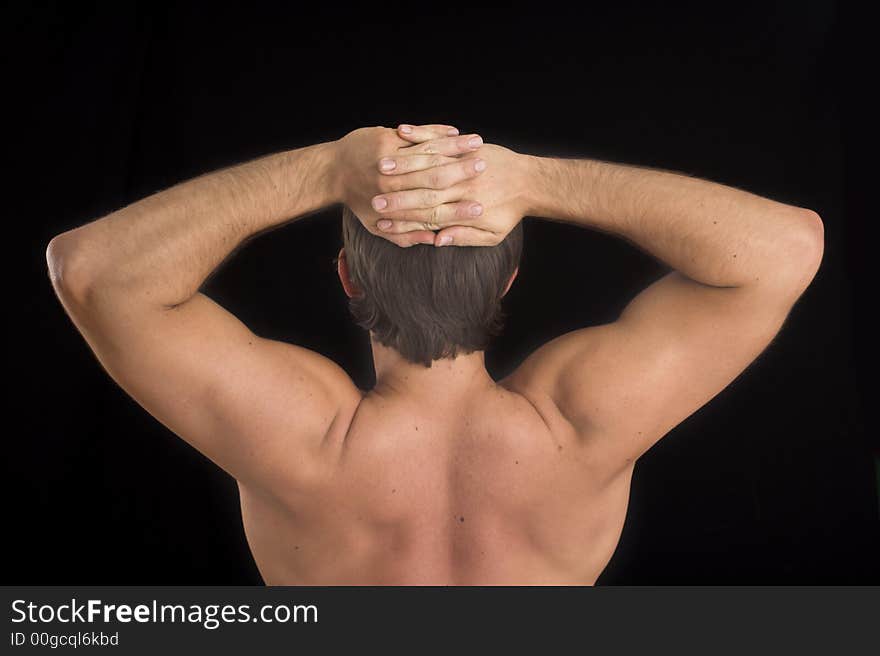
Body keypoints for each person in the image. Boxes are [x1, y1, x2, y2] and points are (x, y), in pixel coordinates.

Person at [46, 122, 824, 584]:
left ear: (347, 275)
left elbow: (92, 274)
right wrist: (535, 182)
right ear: (511, 277)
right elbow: (787, 248)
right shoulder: (581, 423)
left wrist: (327, 168)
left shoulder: (303, 439)